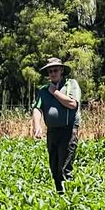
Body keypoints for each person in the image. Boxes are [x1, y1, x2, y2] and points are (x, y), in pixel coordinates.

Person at [30, 57, 81, 194]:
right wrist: (37, 126)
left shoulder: (71, 84)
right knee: (54, 167)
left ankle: (70, 199)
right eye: (50, 71)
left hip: (68, 131)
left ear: (62, 70)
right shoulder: (43, 90)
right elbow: (37, 108)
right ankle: (60, 195)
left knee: (64, 167)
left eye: (55, 70)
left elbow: (72, 104)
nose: (53, 73)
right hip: (52, 132)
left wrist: (55, 92)